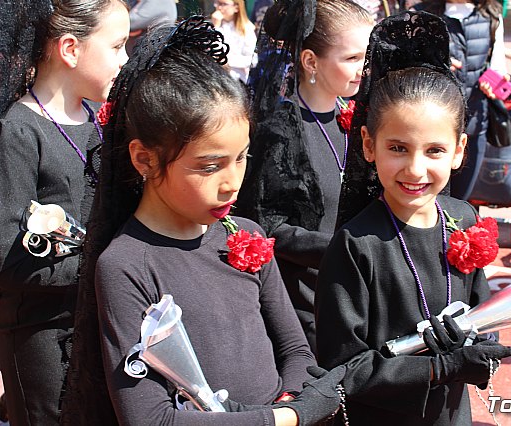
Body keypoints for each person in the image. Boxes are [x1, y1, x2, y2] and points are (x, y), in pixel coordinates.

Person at [61, 16, 345, 426]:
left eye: (242, 158)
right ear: (145, 158)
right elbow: (150, 418)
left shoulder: (245, 235)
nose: (232, 183)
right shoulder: (126, 265)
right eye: (209, 166)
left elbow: (295, 351)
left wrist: (289, 400)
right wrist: (283, 418)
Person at [315, 11, 511, 425]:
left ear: (459, 150)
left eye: (435, 151)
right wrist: (440, 367)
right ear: (369, 144)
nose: (416, 170)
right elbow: (343, 369)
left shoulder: (463, 218)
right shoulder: (356, 245)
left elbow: (483, 309)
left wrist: (480, 343)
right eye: (398, 148)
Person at [0, 1, 129, 424]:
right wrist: (101, 266)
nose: (125, 60)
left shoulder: (100, 120)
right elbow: (8, 258)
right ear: (70, 49)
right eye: (117, 46)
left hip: (97, 323)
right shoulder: (18, 131)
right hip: (42, 337)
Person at [236, 0, 374, 353]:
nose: (364, 69)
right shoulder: (280, 130)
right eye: (352, 58)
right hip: (307, 307)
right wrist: (339, 250)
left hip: (360, 296)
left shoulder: (357, 121)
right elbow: (265, 227)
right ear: (311, 61)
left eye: (367, 57)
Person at [411, 0, 506, 200]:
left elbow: (498, 66)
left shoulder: (491, 16)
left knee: (460, 198)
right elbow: (405, 63)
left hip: (474, 120)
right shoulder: (420, 14)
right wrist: (435, 63)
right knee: (428, 192)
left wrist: (493, 84)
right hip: (431, 120)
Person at [210, 0, 258, 83]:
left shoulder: (246, 29)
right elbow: (212, 50)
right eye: (217, 3)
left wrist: (228, 61)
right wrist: (215, 28)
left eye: (224, 4)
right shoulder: (215, 25)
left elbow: (253, 60)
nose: (219, 7)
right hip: (217, 78)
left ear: (236, 7)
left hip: (238, 80)